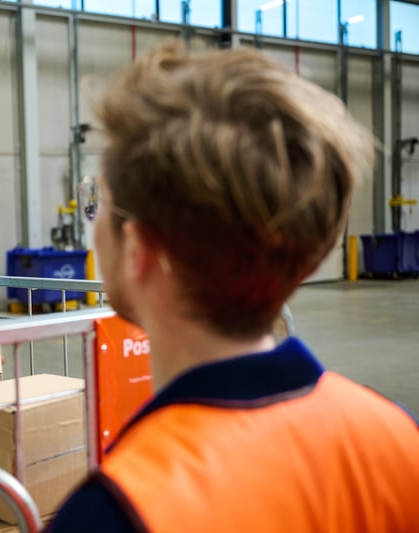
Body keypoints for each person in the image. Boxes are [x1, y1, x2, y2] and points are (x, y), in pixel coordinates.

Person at [48, 42, 419, 532]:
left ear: (139, 249)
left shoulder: (116, 509)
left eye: (101, 204)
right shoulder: (393, 436)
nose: (93, 224)